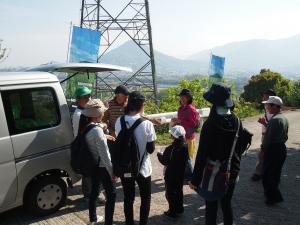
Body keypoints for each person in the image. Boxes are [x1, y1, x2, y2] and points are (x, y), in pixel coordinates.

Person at [189, 83, 244, 225]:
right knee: (226, 204)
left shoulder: (210, 124)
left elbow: (202, 155)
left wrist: (195, 180)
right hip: (232, 170)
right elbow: (239, 147)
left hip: (213, 173)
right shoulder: (237, 121)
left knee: (211, 207)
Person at [115, 91, 156, 225]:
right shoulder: (147, 124)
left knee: (128, 197)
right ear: (141, 105)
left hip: (125, 165)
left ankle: (129, 223)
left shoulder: (119, 121)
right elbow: (150, 149)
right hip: (143, 168)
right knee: (145, 198)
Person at [79, 99, 117, 225]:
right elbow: (105, 155)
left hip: (93, 164)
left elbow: (93, 138)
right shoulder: (97, 131)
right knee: (111, 196)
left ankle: (93, 219)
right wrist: (112, 172)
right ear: (98, 114)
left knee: (94, 192)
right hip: (102, 167)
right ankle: (109, 222)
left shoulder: (87, 126)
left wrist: (105, 136)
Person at [261, 96, 289, 206]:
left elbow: (268, 138)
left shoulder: (275, 120)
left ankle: (274, 197)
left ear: (274, 106)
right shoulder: (282, 118)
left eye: (268, 105)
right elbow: (280, 133)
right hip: (281, 148)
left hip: (273, 149)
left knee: (267, 174)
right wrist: (265, 124)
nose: (266, 107)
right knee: (275, 173)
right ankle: (271, 197)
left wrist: (263, 150)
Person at [157, 125, 189, 219]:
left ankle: (173, 212)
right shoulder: (185, 146)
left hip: (170, 175)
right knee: (179, 191)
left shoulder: (170, 148)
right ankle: (179, 209)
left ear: (174, 136)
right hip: (180, 174)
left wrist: (159, 155)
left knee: (170, 193)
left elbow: (165, 161)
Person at [72, 86, 94, 201]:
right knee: (88, 171)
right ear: (78, 100)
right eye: (84, 97)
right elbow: (84, 132)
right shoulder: (79, 114)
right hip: (83, 144)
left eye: (89, 96)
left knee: (88, 171)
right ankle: (89, 195)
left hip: (86, 143)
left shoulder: (84, 111)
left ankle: (89, 194)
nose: (88, 99)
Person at [251, 89, 276, 181]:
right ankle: (267, 173)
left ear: (270, 97)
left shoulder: (272, 108)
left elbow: (273, 125)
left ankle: (259, 174)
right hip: (265, 134)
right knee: (264, 154)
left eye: (265, 95)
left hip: (268, 135)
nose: (263, 97)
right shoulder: (267, 106)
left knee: (263, 154)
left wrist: (264, 123)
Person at [174, 89, 199, 182]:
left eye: (183, 97)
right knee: (183, 157)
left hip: (188, 137)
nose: (182, 99)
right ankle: (186, 175)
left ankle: (190, 176)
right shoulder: (181, 109)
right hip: (181, 136)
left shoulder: (191, 109)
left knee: (186, 157)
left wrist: (180, 121)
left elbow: (194, 124)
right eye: (181, 97)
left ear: (189, 98)